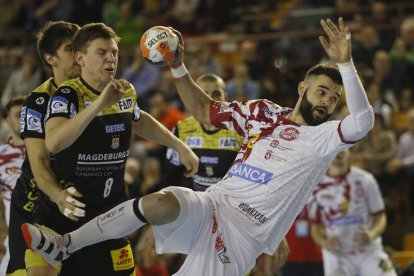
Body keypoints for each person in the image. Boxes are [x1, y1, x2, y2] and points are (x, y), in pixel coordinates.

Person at [23, 17, 374, 276]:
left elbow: (362, 121)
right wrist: (178, 66)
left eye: (333, 96)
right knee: (160, 202)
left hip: (243, 236)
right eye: (321, 91)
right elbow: (205, 109)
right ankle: (64, 244)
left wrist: (346, 63)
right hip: (214, 202)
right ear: (302, 89)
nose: (327, 101)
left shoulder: (326, 136)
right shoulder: (263, 113)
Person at [25, 22, 198, 276]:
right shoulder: (67, 94)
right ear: (80, 58)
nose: (111, 58)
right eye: (102, 52)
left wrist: (179, 145)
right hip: (67, 213)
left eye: (114, 52)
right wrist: (97, 105)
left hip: (111, 217)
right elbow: (55, 141)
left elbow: (139, 120)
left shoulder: (124, 90)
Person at [7, 21, 82, 276]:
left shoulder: (100, 93)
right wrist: (60, 196)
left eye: (81, 47)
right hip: (37, 202)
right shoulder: (38, 101)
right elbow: (39, 163)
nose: (79, 55)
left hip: (82, 199)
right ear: (51, 58)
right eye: (71, 48)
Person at [308, 149, 397, 276]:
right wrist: (324, 242)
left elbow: (380, 217)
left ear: (349, 153)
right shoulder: (315, 187)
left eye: (342, 149)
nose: (338, 153)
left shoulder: (366, 180)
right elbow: (315, 228)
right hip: (337, 253)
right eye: (334, 149)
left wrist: (371, 234)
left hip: (368, 251)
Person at [164, 73, 243, 191]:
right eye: (203, 94)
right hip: (194, 200)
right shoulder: (182, 129)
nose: (210, 99)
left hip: (230, 200)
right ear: (195, 97)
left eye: (216, 94)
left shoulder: (239, 130)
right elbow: (171, 175)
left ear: (225, 97)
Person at [0, 96, 26, 276]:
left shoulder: (49, 149)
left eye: (27, 114)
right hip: (14, 222)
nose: (23, 119)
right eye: (18, 115)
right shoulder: (1, 155)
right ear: (8, 122)